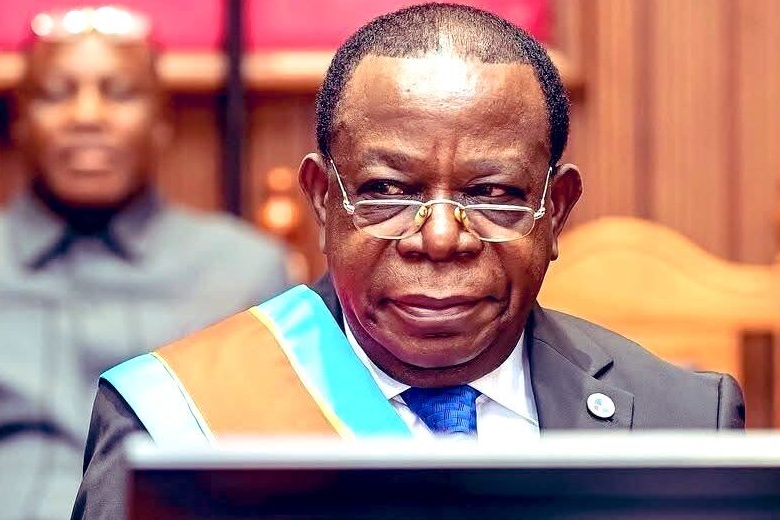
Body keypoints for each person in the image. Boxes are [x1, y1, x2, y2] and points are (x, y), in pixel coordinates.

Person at [73, 3, 745, 519]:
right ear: (323, 200)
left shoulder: (681, 420)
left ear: (556, 209)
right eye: (388, 191)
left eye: (493, 195)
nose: (442, 238)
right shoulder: (173, 423)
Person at [0, 7, 291, 520]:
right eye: (56, 94)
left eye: (120, 93)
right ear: (18, 120)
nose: (87, 116)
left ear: (161, 121)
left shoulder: (242, 271)